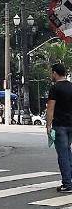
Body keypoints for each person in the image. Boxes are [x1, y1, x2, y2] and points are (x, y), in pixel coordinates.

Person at [46, 62, 72, 193]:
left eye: (52, 73)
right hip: (70, 125)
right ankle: (70, 180)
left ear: (55, 73)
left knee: (62, 154)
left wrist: (48, 126)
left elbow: (50, 108)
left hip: (60, 125)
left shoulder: (55, 88)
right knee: (68, 152)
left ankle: (67, 184)